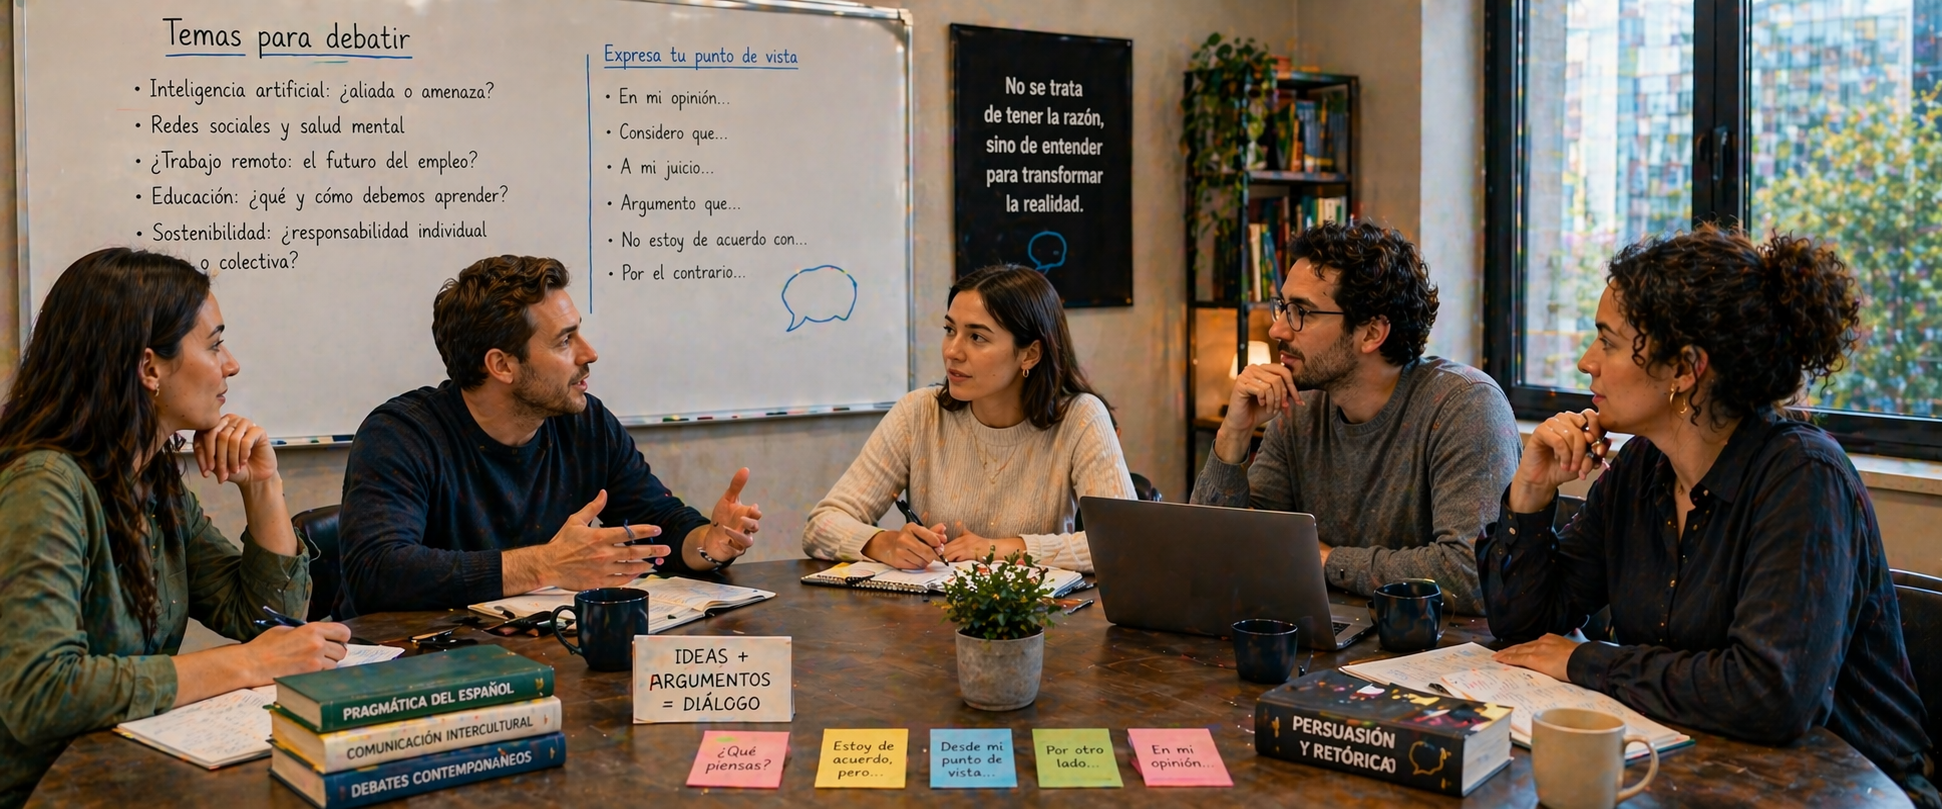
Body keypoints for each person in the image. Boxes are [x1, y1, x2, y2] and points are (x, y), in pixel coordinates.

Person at [1482, 226, 1938, 807]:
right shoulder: (1641, 467)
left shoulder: (1803, 478)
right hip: (1699, 772)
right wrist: (1531, 491)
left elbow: (1771, 696)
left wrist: (1588, 660)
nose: (1586, 362)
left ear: (1686, 367)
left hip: (1852, 790)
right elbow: (1524, 627)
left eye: (1609, 342)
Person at [0, 249, 349, 806]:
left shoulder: (152, 477)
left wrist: (262, 486)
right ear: (149, 368)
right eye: (213, 345)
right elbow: (43, 691)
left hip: (130, 770)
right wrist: (248, 664)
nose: (230, 364)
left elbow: (260, 615)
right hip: (48, 791)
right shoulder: (45, 485)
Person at [337, 256, 761, 616]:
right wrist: (546, 564)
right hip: (419, 673)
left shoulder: (584, 422)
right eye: (564, 341)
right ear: (502, 366)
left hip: (541, 651)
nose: (589, 353)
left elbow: (657, 523)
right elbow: (379, 572)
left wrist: (708, 542)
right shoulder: (402, 435)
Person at [1189, 222, 1519, 614]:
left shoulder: (1465, 406)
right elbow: (1216, 553)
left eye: (1301, 312)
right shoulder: (1301, 407)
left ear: (1371, 333)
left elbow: (1470, 575)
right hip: (1331, 638)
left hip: (1437, 656)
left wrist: (1328, 560)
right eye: (1282, 306)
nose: (1277, 328)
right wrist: (1234, 434)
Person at [803, 265, 1135, 572]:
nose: (952, 351)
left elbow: (1122, 542)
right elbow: (822, 525)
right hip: (931, 621)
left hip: (1035, 625)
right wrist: (883, 543)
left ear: (1030, 353)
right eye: (950, 330)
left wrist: (1000, 549)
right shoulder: (919, 413)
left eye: (977, 337)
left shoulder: (1080, 417)